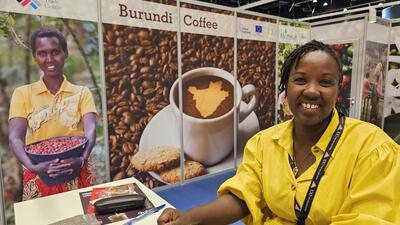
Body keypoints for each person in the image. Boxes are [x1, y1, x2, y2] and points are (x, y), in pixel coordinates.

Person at [157, 40, 400, 225]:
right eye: (301, 80)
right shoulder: (263, 143)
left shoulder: (372, 148)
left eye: (325, 82)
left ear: (338, 90)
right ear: (286, 88)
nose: (312, 91)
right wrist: (189, 218)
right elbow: (244, 197)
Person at [8, 27, 97, 200]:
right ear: (35, 58)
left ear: (65, 53)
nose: (49, 59)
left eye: (55, 52)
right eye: (42, 53)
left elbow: (91, 130)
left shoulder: (82, 92)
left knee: (87, 218)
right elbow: (15, 138)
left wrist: (82, 158)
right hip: (39, 172)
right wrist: (33, 167)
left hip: (78, 167)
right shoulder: (22, 93)